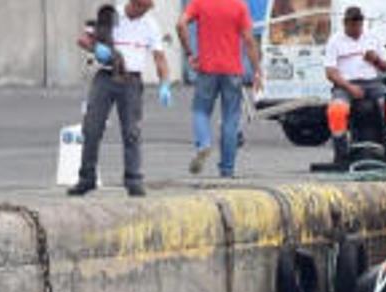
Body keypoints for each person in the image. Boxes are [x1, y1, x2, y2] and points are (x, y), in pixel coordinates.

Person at [68, 0, 172, 197]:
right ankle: (86, 178)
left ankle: (133, 179)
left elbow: (160, 58)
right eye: (141, 7)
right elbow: (84, 39)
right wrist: (95, 49)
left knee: (132, 131)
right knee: (91, 127)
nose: (143, 12)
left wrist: (165, 83)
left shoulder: (150, 25)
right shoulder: (109, 15)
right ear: (132, 3)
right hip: (106, 76)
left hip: (131, 80)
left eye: (147, 8)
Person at [177, 0, 262, 178]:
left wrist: (189, 53)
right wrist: (256, 70)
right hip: (232, 72)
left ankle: (203, 143)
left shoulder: (199, 3)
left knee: (200, 110)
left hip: (207, 69)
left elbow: (180, 24)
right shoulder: (239, 6)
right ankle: (227, 169)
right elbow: (249, 40)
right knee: (231, 119)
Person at [323, 6, 386, 160]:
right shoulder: (335, 41)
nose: (357, 29)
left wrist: (376, 60)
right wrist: (349, 87)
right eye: (353, 25)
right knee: (336, 110)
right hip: (345, 85)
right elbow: (330, 73)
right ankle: (341, 154)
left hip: (373, 83)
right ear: (345, 23)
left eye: (359, 25)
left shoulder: (373, 38)